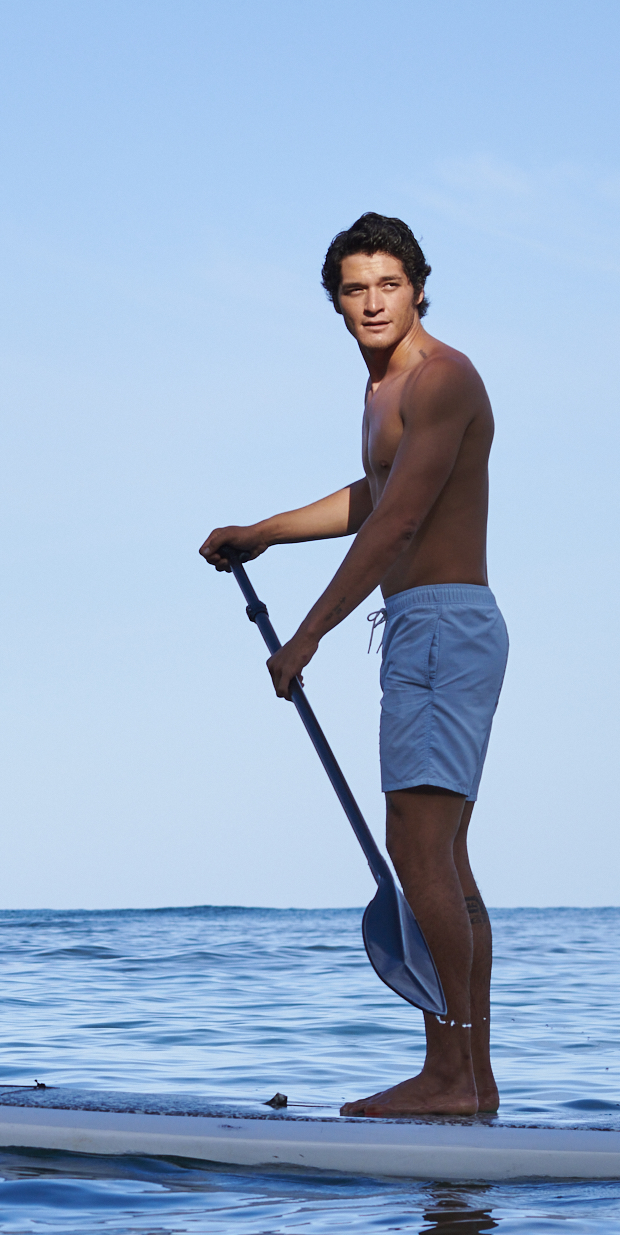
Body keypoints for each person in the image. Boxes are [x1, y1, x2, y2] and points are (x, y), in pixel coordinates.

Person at [201, 212, 504, 1117]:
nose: (372, 302)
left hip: (442, 628)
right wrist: (265, 531)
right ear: (335, 301)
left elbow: (401, 522)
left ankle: (452, 1075)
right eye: (353, 288)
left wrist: (307, 634)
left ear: (418, 288)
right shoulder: (385, 391)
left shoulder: (443, 380)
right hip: (423, 627)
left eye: (388, 285)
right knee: (441, 855)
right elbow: (375, 494)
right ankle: (470, 1078)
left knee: (419, 850)